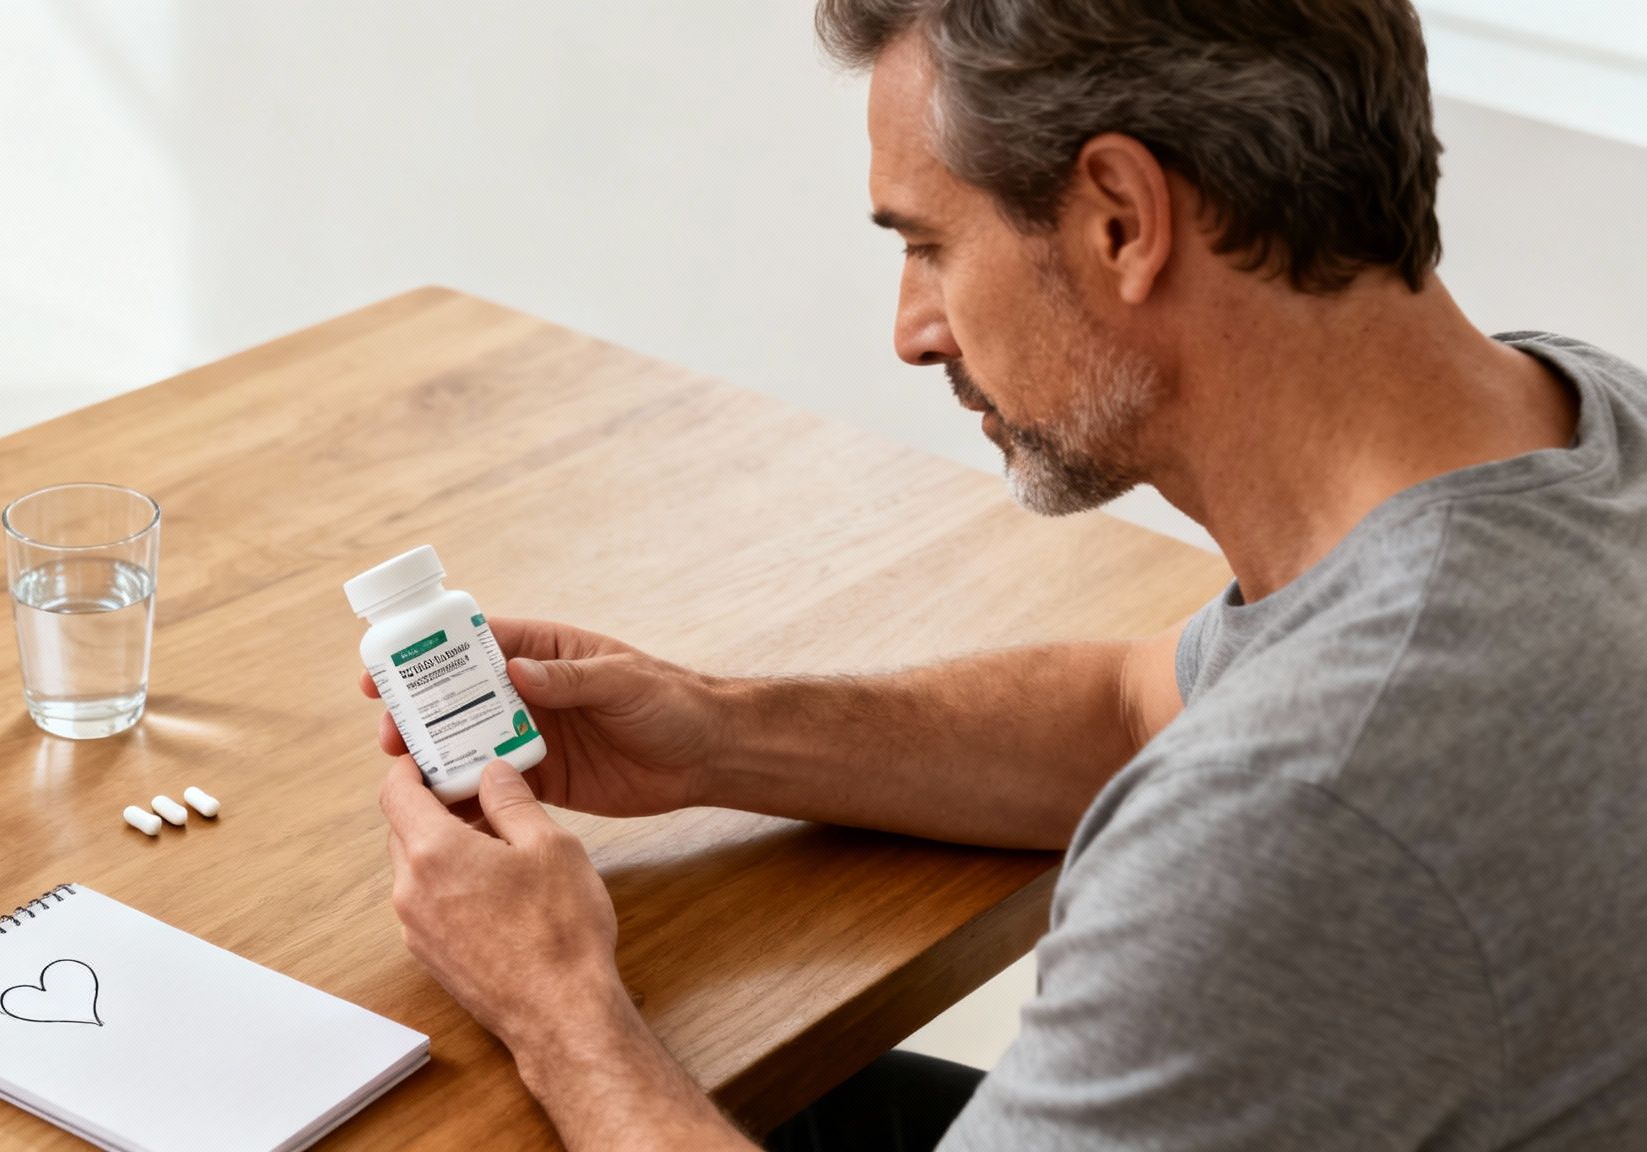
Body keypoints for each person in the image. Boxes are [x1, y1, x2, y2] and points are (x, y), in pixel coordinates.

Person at [366, 1, 1647, 1148]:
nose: (911, 328)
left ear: (1119, 221)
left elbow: (1272, 793)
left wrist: (560, 1008)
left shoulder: (1300, 810)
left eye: (927, 244)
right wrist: (715, 734)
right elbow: (1145, 708)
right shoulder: (1572, 422)